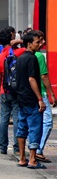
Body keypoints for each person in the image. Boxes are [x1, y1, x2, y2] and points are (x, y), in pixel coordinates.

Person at [15, 30, 46, 169]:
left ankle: (22, 158)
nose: (40, 44)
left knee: (22, 128)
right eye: (37, 42)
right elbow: (32, 79)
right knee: (35, 128)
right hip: (31, 99)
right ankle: (32, 159)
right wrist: (40, 98)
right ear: (29, 44)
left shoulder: (20, 58)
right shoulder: (32, 58)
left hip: (21, 99)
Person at [0, 27, 24, 156]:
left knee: (4, 119)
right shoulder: (19, 52)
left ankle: (2, 147)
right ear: (12, 38)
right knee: (17, 118)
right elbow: (32, 48)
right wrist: (19, 42)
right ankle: (18, 147)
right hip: (16, 91)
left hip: (4, 91)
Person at [33, 31, 57, 163]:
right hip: (41, 93)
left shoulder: (25, 55)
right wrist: (52, 93)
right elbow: (44, 76)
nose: (43, 43)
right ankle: (38, 149)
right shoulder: (39, 56)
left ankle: (33, 149)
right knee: (47, 122)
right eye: (40, 40)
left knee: (34, 122)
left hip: (30, 94)